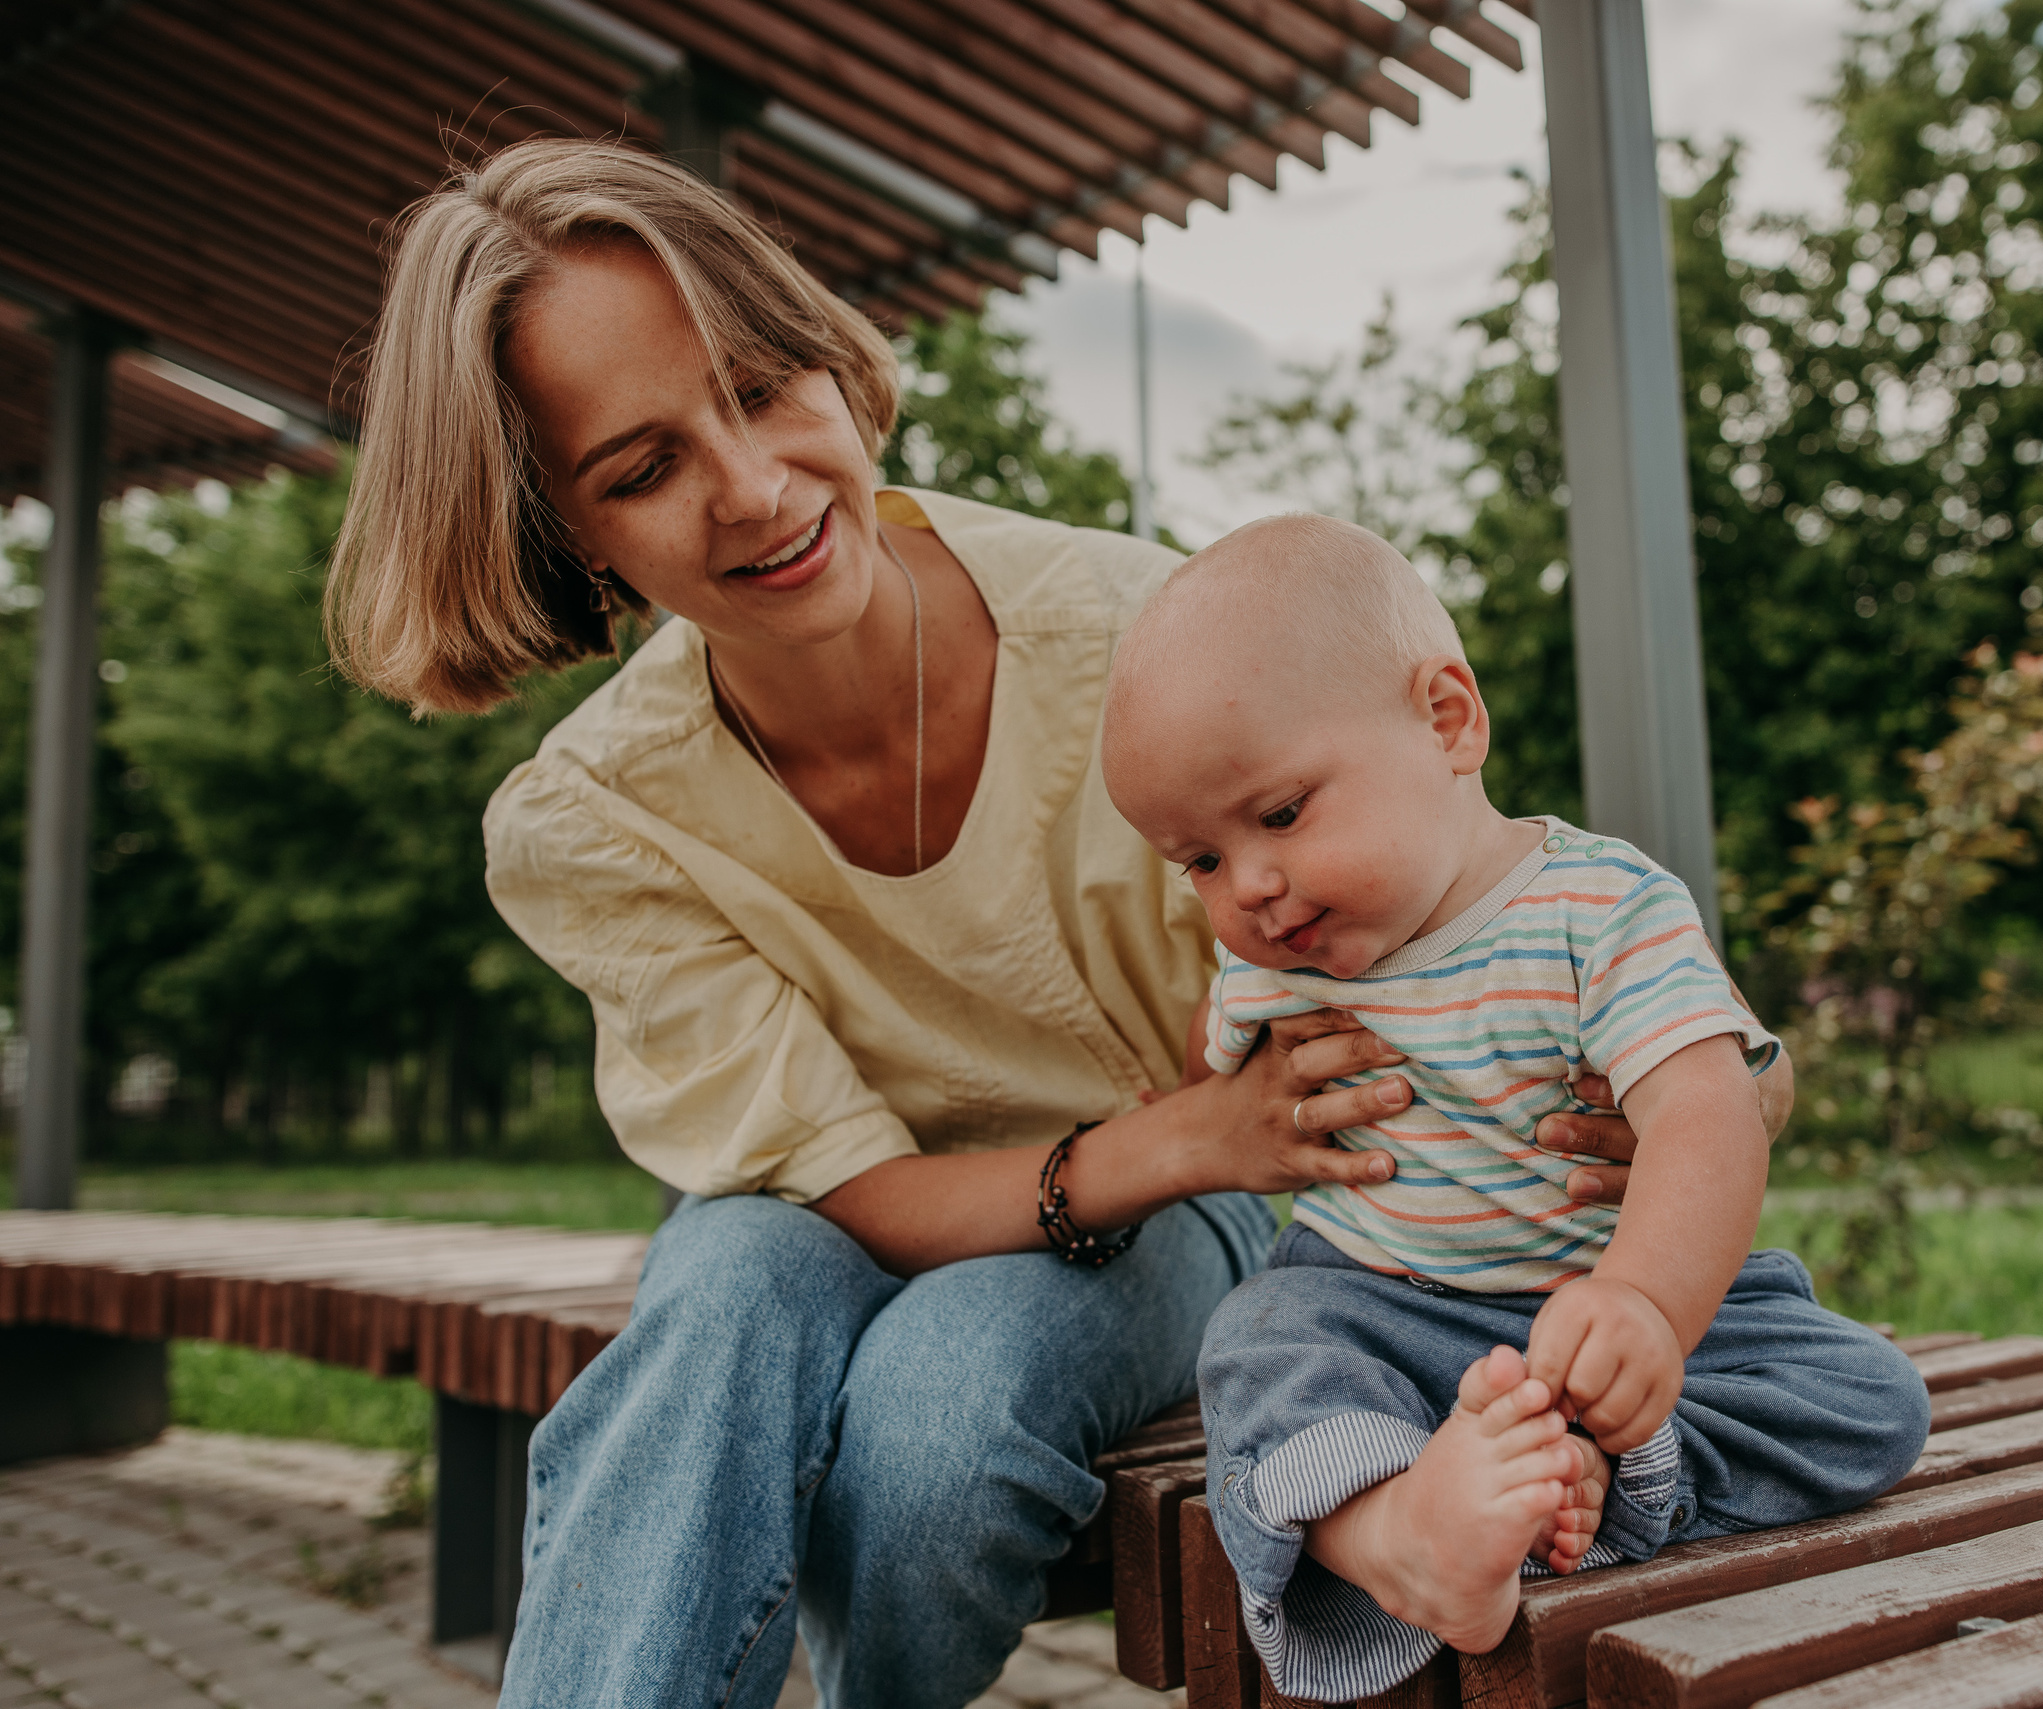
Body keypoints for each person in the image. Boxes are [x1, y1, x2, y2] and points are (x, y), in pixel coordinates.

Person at [322, 137, 1668, 1709]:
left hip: (1195, 1206)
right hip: (871, 1212)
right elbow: (838, 1188)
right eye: (641, 469)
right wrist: (1177, 1130)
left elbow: (1481, 908)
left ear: (829, 359)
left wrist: (1637, 1092)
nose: (751, 487)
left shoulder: (1147, 643)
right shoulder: (595, 817)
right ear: (568, 536)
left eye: (761, 388)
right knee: (726, 1286)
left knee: (936, 1428)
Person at [1098, 514, 1934, 1701]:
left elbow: (1706, 1108)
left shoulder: (1597, 911)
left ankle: (1611, 1468)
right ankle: (1402, 1530)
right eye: (1200, 861)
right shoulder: (1276, 959)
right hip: (1379, 1302)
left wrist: (1645, 1302)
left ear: (1447, 719)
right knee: (1259, 1340)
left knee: (1866, 1395)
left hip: (1604, 1304)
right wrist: (1210, 1084)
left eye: (1279, 814)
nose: (1252, 888)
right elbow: (1216, 1072)